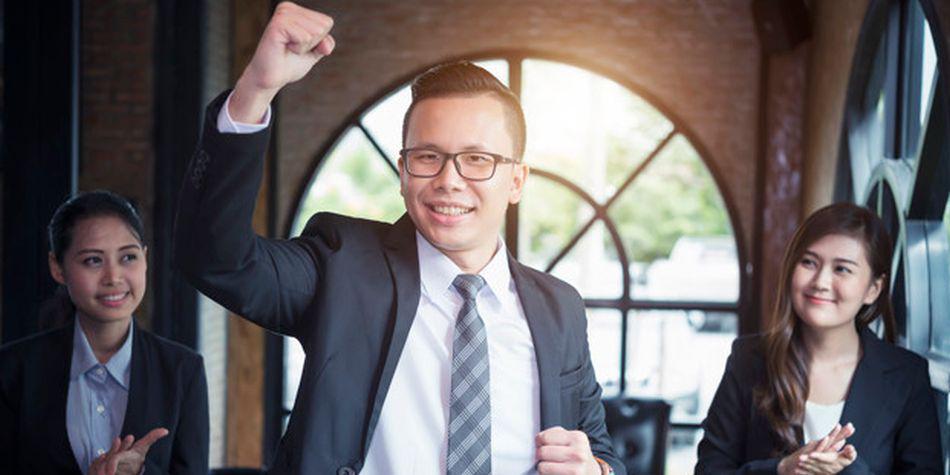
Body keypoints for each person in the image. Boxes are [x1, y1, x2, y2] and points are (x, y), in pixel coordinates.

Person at [174, 2, 621, 474]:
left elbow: (600, 450)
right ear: (403, 170)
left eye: (477, 159)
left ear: (516, 180)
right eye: (428, 157)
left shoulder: (561, 309)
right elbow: (213, 258)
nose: (449, 180)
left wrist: (596, 470)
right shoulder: (341, 265)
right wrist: (256, 92)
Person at [695, 203, 942, 474]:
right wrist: (781, 469)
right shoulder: (749, 359)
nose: (821, 282)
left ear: (873, 289)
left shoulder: (907, 375)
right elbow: (710, 469)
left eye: (842, 269)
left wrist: (848, 471)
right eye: (809, 262)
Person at [0, 190, 209, 475]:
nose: (113, 277)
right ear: (57, 268)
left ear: (145, 259)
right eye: (93, 261)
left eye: (128, 257)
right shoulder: (12, 370)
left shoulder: (183, 371)